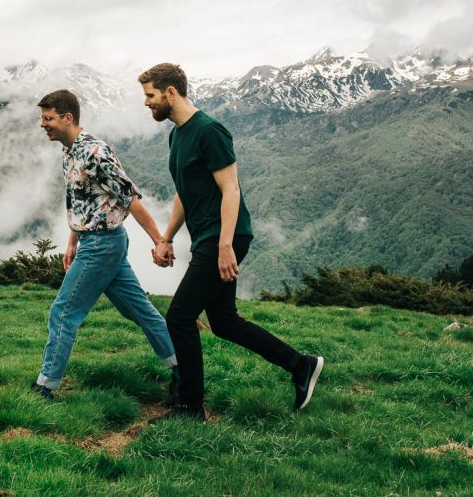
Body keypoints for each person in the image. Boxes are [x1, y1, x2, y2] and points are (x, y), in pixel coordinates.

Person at [139, 63, 323, 422]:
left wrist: (224, 245)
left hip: (225, 236)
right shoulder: (177, 135)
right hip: (210, 236)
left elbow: (231, 188)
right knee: (224, 322)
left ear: (170, 92)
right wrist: (166, 238)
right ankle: (301, 366)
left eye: (150, 95)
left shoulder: (209, 130)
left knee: (179, 317)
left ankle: (190, 407)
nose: (146, 103)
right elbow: (185, 193)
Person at [32, 89, 179, 402]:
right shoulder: (69, 150)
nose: (43, 124)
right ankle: (183, 369)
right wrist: (73, 239)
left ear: (67, 118)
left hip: (102, 245)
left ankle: (45, 386)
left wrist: (160, 241)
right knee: (139, 310)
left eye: (48, 118)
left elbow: (129, 198)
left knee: (63, 313)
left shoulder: (95, 153)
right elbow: (80, 198)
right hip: (95, 241)